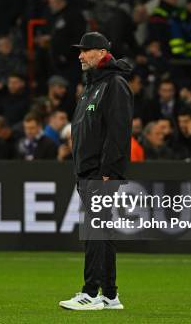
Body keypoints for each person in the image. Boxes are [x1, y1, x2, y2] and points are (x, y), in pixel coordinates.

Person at [59, 32, 132, 311]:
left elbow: (119, 132)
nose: (80, 55)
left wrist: (109, 172)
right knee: (102, 233)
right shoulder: (93, 86)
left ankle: (90, 293)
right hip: (87, 171)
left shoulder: (114, 84)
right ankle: (110, 296)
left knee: (94, 233)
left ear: (101, 53)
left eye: (86, 51)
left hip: (100, 174)